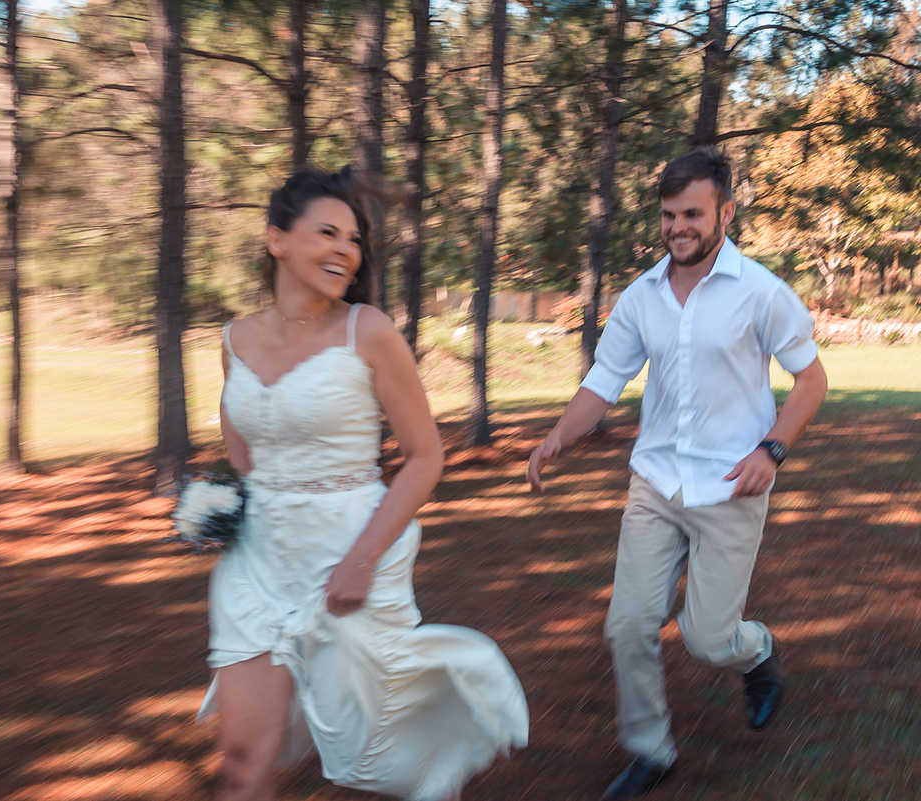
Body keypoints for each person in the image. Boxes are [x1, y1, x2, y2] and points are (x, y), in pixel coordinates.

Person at [198, 166, 529, 801]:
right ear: (277, 240)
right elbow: (242, 456)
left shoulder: (369, 332)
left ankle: (437, 765)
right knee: (242, 762)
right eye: (327, 233)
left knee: (378, 752)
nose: (346, 251)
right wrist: (215, 509)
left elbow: (425, 457)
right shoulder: (233, 340)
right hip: (255, 568)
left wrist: (359, 561)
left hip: (351, 554)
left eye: (353, 240)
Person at [527, 148, 827, 801]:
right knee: (627, 625)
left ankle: (757, 652)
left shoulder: (762, 292)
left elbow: (811, 380)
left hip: (732, 485)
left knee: (708, 638)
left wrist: (770, 449)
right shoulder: (642, 297)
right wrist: (557, 435)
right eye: (669, 215)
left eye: (692, 213)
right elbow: (604, 382)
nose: (678, 227)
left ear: (725, 210)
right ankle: (649, 748)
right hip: (656, 482)